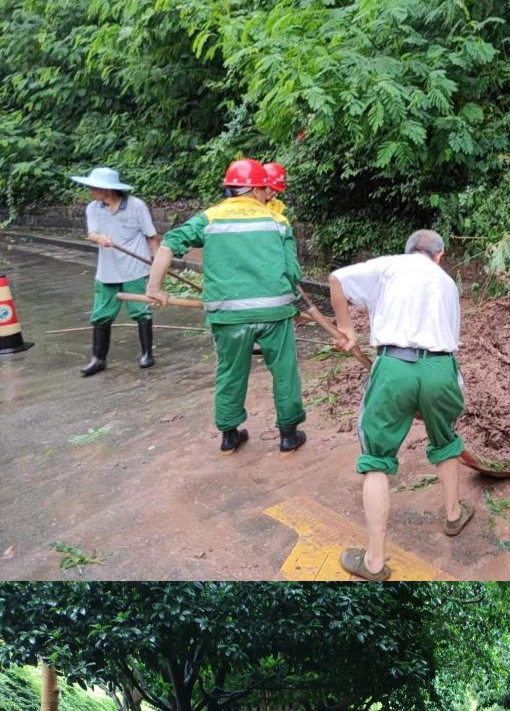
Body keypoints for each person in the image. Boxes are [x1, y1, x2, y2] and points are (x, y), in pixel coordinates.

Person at [323, 229, 472, 580]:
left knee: (377, 458)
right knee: (445, 439)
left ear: (408, 251)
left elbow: (336, 280)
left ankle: (374, 562)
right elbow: (450, 342)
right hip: (441, 370)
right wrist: (445, 390)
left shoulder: (389, 266)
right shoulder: (448, 283)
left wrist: (346, 328)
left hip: (393, 367)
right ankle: (453, 514)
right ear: (440, 255)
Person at [146, 159, 307, 454]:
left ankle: (229, 435)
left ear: (231, 189)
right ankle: (288, 434)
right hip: (275, 312)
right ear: (259, 189)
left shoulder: (209, 219)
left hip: (229, 317)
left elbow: (169, 243)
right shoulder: (278, 222)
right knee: (285, 371)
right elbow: (293, 271)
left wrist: (154, 288)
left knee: (230, 372)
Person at [70, 165, 159, 377]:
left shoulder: (136, 206)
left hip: (135, 268)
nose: (90, 190)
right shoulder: (93, 208)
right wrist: (99, 238)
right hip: (107, 271)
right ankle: (98, 358)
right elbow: (91, 233)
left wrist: (156, 266)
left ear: (108, 189)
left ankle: (147, 353)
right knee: (101, 315)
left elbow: (152, 237)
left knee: (140, 311)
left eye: (94, 187)